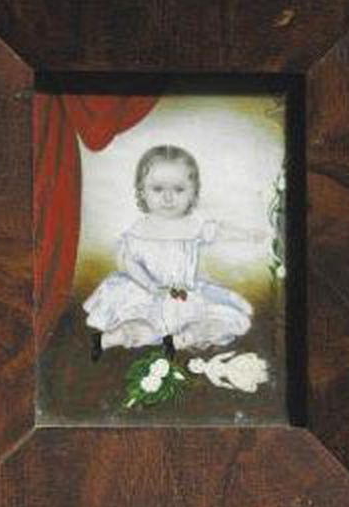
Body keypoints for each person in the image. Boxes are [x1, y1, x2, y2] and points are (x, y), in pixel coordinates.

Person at [83, 144, 261, 361]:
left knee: (218, 319)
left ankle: (180, 340)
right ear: (142, 191)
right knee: (142, 326)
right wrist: (149, 285)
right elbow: (129, 262)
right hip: (146, 291)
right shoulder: (139, 230)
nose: (168, 198)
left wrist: (248, 235)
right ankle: (106, 339)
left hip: (184, 293)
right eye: (158, 189)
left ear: (193, 192)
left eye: (178, 189)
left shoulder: (193, 225)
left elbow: (219, 231)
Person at [187, 351, 268, 393]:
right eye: (198, 366)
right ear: (199, 371)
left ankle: (264, 367)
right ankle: (264, 376)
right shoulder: (210, 375)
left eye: (198, 362)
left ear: (201, 359)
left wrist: (231, 353)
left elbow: (222, 356)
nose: (201, 364)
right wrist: (230, 386)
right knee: (248, 376)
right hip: (232, 375)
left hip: (232, 365)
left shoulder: (212, 360)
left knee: (249, 364)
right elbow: (219, 383)